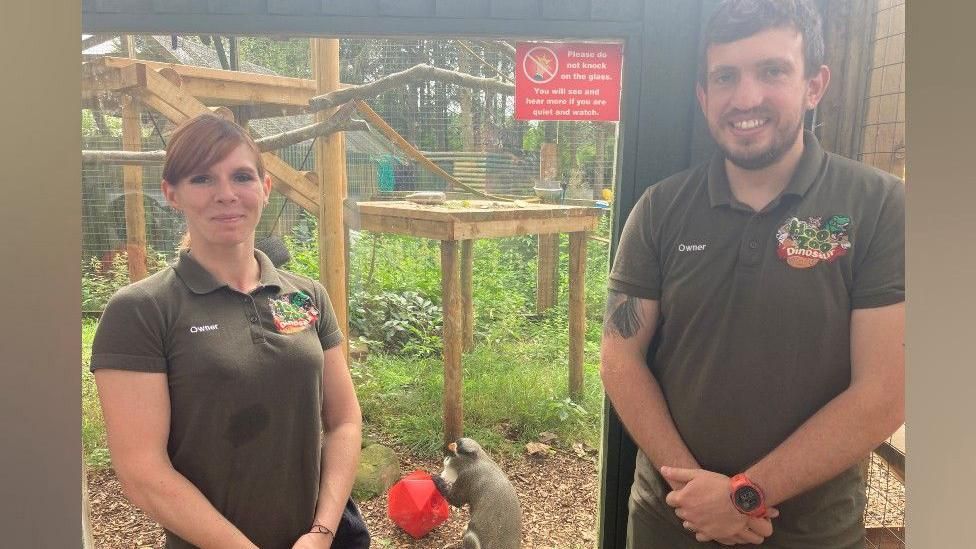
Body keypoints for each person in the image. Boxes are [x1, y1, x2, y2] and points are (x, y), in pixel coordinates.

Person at [599, 1, 905, 547]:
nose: (746, 98)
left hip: (811, 532)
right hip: (669, 520)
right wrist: (696, 497)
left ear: (815, 84)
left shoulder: (881, 207)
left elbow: (886, 390)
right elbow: (620, 356)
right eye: (726, 77)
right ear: (704, 97)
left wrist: (745, 495)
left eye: (772, 71)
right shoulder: (659, 208)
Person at [91, 114, 369, 549]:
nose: (226, 195)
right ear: (171, 193)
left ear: (265, 188)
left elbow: (345, 421)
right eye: (202, 179)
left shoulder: (305, 295)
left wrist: (322, 532)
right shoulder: (143, 311)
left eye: (241, 176)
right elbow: (142, 470)